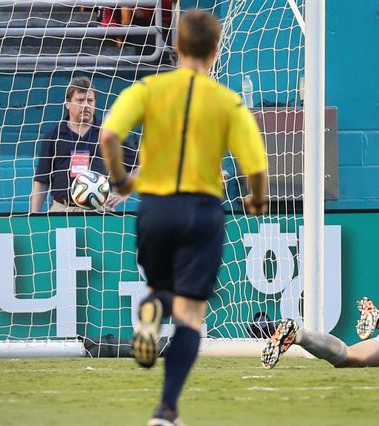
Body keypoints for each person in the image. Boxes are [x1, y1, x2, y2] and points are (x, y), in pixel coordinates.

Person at [99, 9, 268, 426]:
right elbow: (257, 170)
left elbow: (108, 136)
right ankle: (166, 410)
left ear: (175, 46)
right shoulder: (227, 102)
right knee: (191, 316)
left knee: (160, 289)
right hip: (201, 209)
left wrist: (121, 181)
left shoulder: (148, 89)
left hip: (155, 208)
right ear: (215, 51)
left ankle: (152, 307)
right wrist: (256, 201)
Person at [30, 76, 137, 213]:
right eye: (80, 100)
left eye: (90, 101)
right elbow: (41, 180)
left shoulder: (107, 135)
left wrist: (124, 193)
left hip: (100, 210)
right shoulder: (54, 136)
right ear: (68, 103)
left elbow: (139, 165)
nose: (86, 105)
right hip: (62, 209)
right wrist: (34, 216)